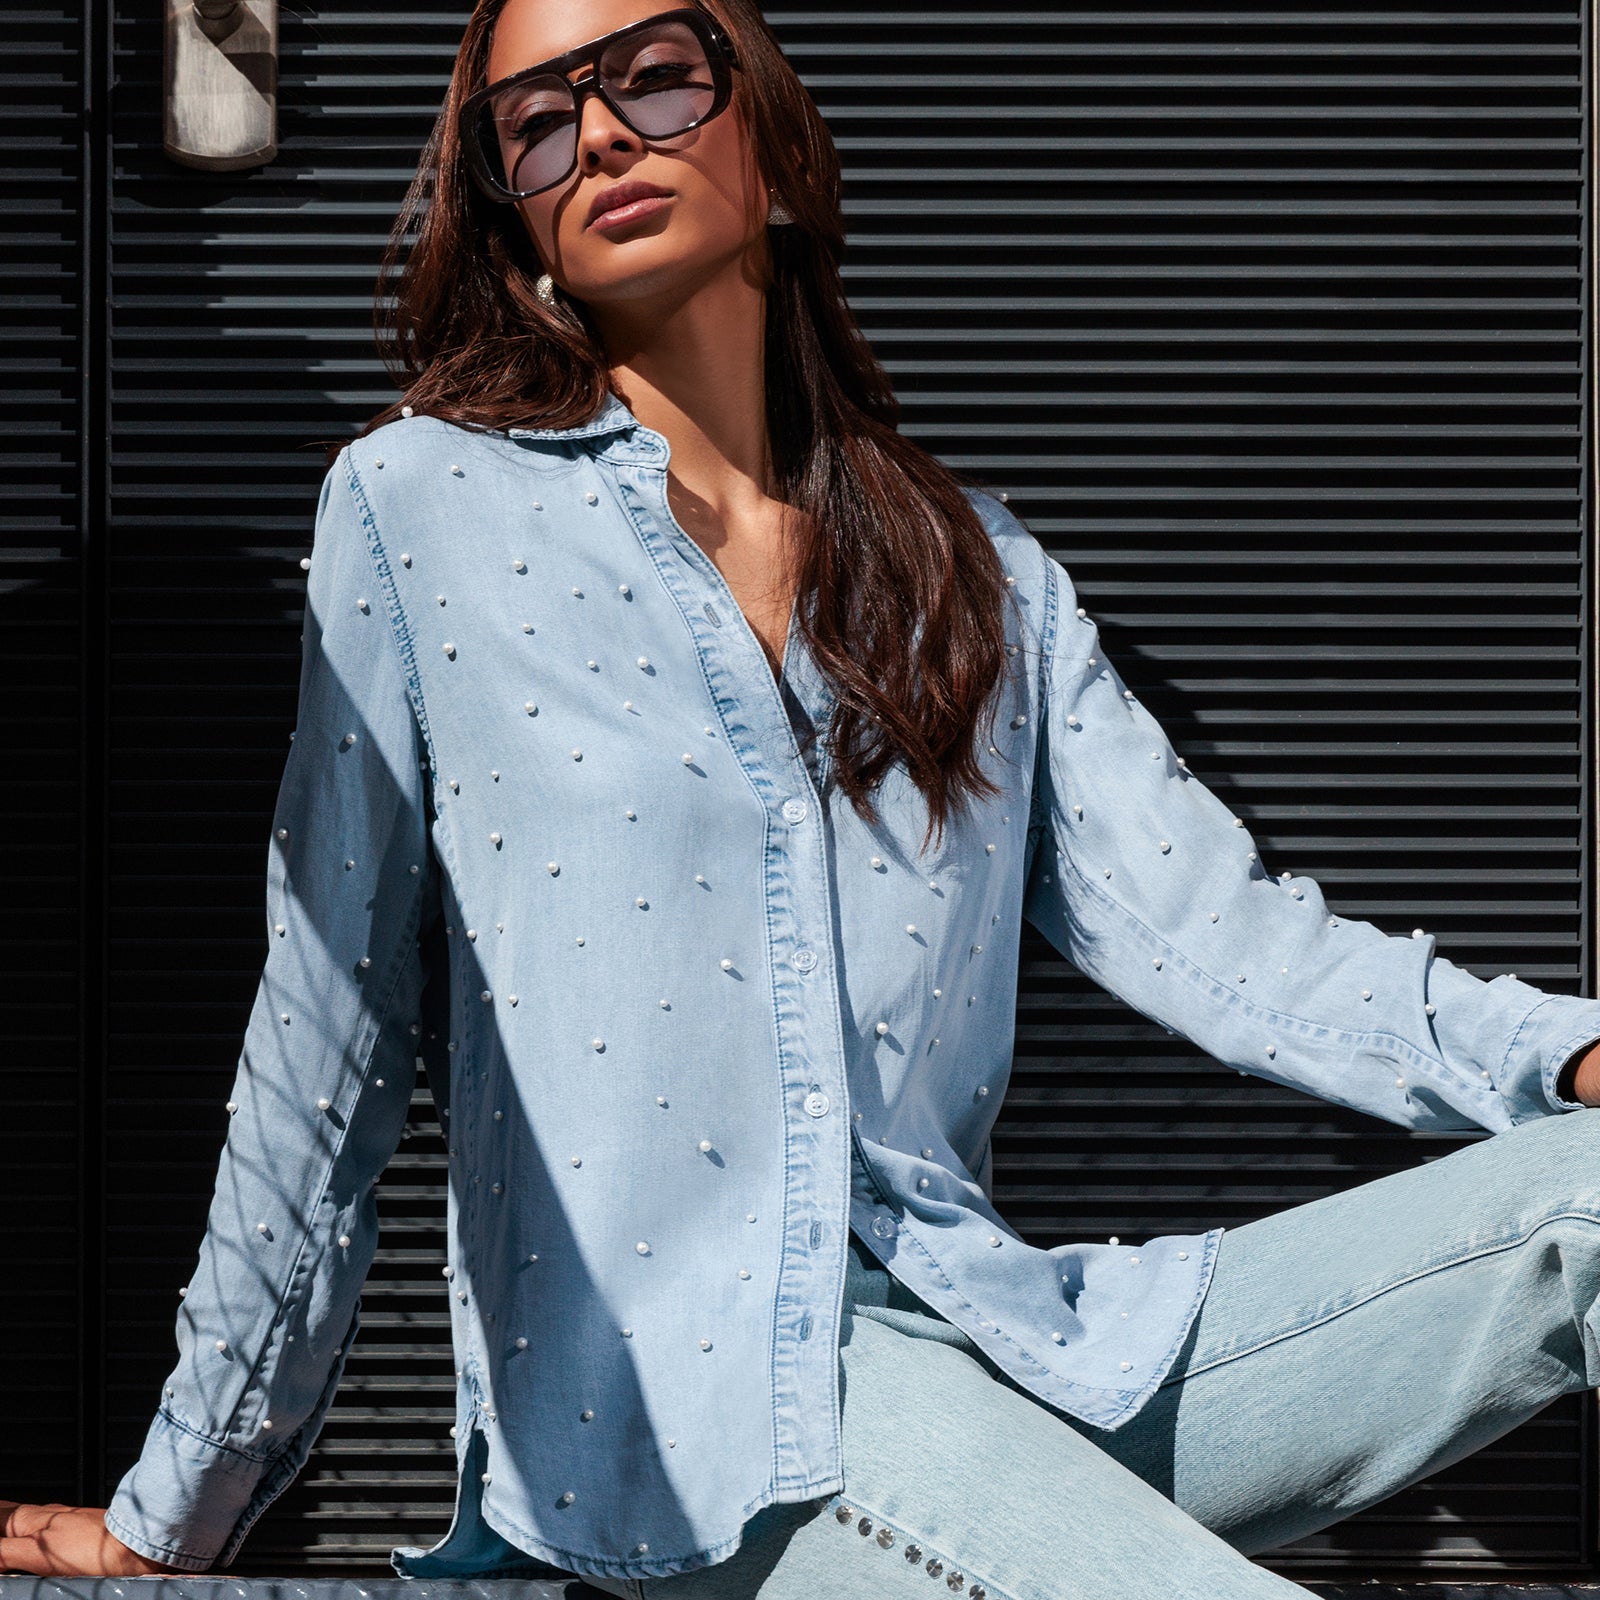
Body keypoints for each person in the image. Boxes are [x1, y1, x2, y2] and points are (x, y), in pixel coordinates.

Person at [9, 1, 1600, 1594]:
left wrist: (1562, 1051)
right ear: (520, 227)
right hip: (689, 1431)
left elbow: (1226, 940)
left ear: (771, 148)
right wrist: (177, 1518)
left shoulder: (970, 569)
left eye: (650, 74)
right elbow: (326, 1041)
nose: (603, 133)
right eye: (538, 122)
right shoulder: (424, 509)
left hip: (1013, 1345)